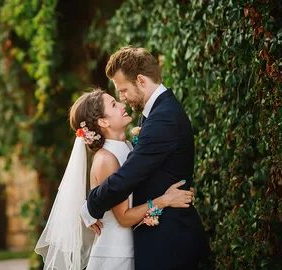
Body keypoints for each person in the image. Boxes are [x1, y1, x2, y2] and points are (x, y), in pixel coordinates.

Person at [35, 89, 195, 270]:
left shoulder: (127, 146)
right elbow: (125, 218)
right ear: (103, 121)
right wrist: (165, 200)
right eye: (113, 104)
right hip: (116, 255)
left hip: (134, 248)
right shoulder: (106, 159)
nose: (122, 104)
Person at [80, 47, 210, 269]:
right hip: (158, 239)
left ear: (140, 80)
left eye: (123, 90)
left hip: (169, 243)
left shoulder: (163, 119)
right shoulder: (154, 114)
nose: (122, 98)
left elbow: (125, 178)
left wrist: (89, 207)